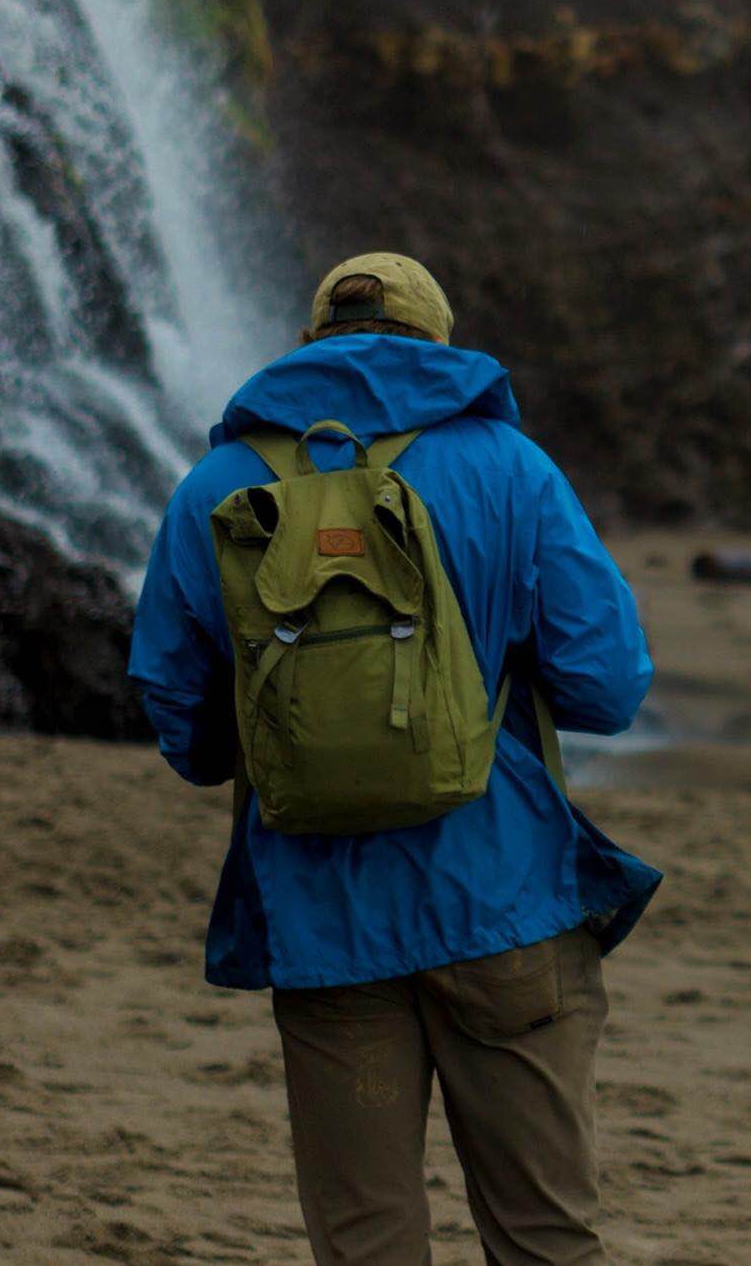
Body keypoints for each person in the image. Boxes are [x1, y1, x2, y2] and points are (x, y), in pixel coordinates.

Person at [129, 252, 659, 1264]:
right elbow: (607, 685)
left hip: (321, 916)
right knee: (546, 1235)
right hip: (503, 901)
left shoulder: (218, 485)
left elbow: (181, 719)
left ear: (311, 342)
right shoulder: (510, 468)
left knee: (365, 1240)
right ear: (438, 343)